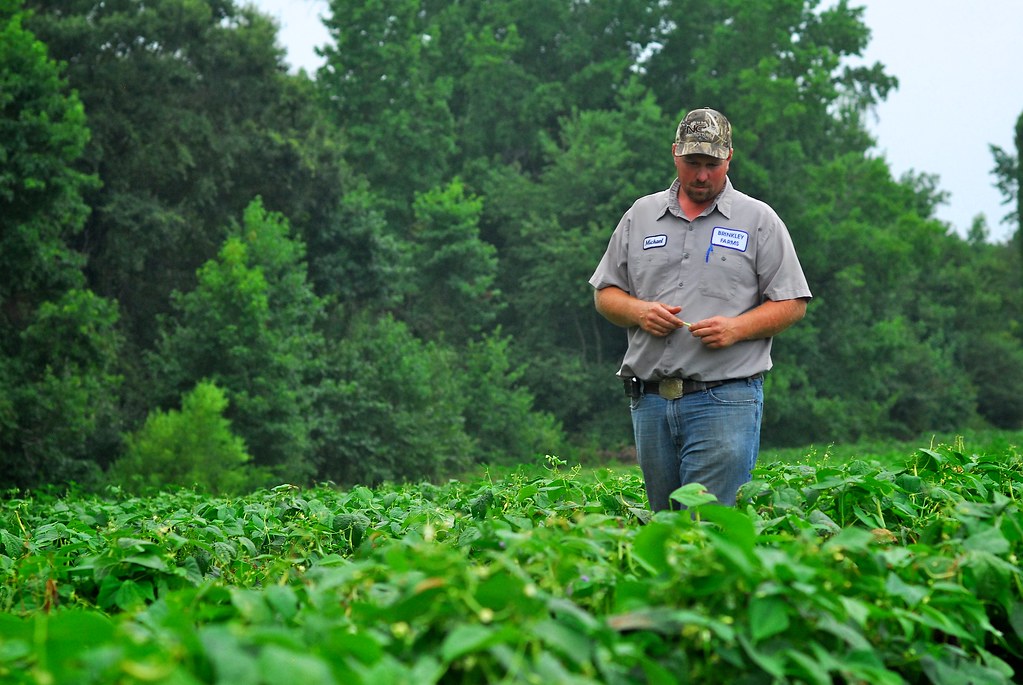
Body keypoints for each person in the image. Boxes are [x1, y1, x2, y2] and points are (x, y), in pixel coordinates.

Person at [588, 107, 811, 511]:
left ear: (729, 158)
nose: (702, 175)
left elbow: (792, 301)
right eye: (693, 163)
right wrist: (639, 312)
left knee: (706, 524)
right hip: (651, 401)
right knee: (667, 526)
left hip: (724, 399)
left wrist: (737, 329)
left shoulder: (758, 220)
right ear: (675, 153)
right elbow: (606, 294)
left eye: (712, 164)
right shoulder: (641, 215)